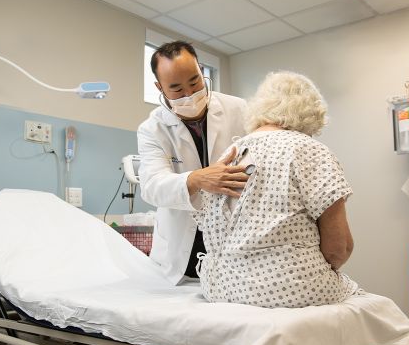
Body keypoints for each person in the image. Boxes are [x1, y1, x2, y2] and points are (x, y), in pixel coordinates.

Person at [193, 71, 360, 308]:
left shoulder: (227, 156)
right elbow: (339, 247)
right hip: (293, 287)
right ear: (311, 114)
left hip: (221, 288)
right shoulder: (309, 149)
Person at [137, 41, 248, 285]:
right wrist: (197, 178)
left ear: (201, 71)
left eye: (195, 82)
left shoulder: (239, 110)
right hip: (181, 251)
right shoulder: (152, 129)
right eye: (176, 88)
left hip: (234, 240)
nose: (189, 94)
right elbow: (152, 186)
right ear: (160, 87)